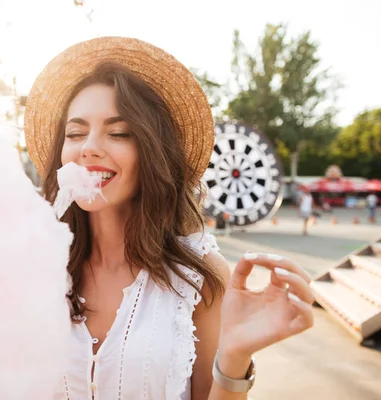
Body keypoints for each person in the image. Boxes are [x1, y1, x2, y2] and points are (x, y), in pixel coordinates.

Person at [25, 37, 314, 400]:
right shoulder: (36, 268)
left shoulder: (199, 277)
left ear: (152, 151)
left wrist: (236, 356)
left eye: (118, 133)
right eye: (75, 133)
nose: (89, 147)